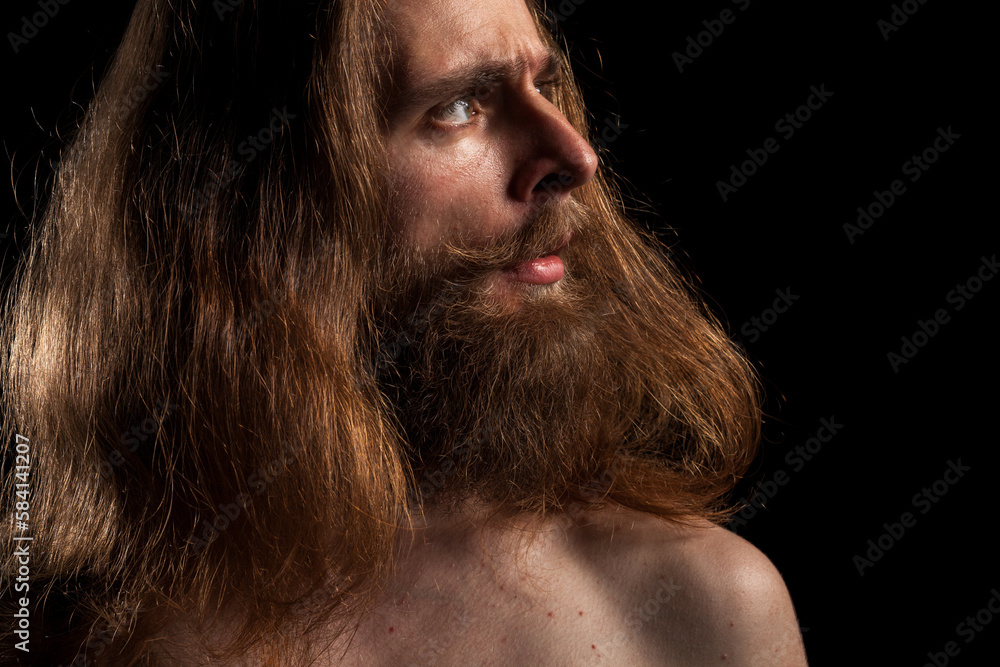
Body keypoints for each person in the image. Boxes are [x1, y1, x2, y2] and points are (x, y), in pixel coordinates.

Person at [0, 0, 808, 664]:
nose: (573, 154)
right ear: (257, 193)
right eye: (458, 107)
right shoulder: (62, 622)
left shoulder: (701, 610)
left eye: (544, 86)